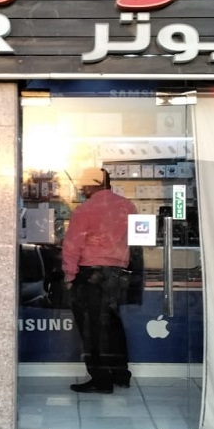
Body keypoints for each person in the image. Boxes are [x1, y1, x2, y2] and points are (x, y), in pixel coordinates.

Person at [63, 166, 137, 394]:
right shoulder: (127, 206)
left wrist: (69, 275)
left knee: (92, 329)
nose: (82, 188)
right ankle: (121, 374)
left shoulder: (85, 210)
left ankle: (101, 380)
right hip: (117, 274)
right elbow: (134, 242)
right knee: (113, 326)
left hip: (90, 275)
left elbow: (72, 246)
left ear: (92, 184)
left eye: (84, 184)